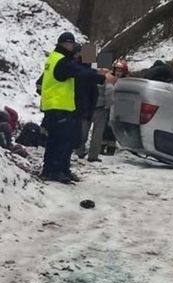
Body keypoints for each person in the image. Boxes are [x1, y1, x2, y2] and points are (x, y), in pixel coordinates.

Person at [40, 31, 115, 183]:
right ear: (63, 44)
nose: (72, 48)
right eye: (70, 44)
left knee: (60, 140)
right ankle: (56, 171)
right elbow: (82, 73)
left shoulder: (55, 58)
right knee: (63, 140)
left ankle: (57, 169)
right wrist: (102, 77)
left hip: (60, 105)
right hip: (61, 106)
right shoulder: (63, 61)